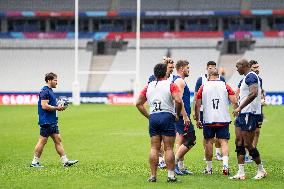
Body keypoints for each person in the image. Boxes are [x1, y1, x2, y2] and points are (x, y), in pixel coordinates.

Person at [136, 63, 182, 182]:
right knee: (168, 148)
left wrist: (149, 116)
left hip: (154, 117)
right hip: (167, 116)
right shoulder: (171, 85)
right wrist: (176, 114)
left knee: (154, 148)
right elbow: (178, 100)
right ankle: (171, 176)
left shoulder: (149, 86)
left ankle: (153, 176)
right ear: (166, 72)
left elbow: (138, 103)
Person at [194, 70, 238, 175]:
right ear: (218, 76)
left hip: (208, 119)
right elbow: (234, 101)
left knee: (209, 142)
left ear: (209, 76)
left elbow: (197, 104)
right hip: (223, 118)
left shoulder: (203, 86)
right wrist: (236, 112)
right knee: (224, 142)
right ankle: (225, 166)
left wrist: (198, 119)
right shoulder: (225, 85)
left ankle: (209, 169)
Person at [30, 72, 78, 168]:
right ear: (49, 80)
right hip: (46, 121)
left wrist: (59, 106)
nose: (57, 82)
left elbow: (51, 105)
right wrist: (57, 108)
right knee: (42, 141)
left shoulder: (50, 91)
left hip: (52, 121)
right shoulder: (45, 91)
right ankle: (34, 162)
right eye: (55, 80)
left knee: (58, 140)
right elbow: (44, 106)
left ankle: (65, 161)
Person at [230, 59, 267, 180]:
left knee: (247, 144)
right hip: (243, 114)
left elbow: (254, 93)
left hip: (249, 114)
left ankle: (261, 170)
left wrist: (240, 107)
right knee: (238, 142)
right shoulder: (246, 78)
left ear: (244, 66)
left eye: (237, 66)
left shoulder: (251, 77)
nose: (236, 69)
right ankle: (241, 172)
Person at [193, 61, 226, 161]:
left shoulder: (221, 79)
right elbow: (196, 96)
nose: (211, 69)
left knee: (218, 134)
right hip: (204, 110)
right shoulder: (201, 80)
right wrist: (195, 112)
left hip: (218, 110)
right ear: (206, 68)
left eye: (213, 67)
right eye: (210, 68)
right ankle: (206, 153)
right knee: (207, 135)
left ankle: (217, 153)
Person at [148, 57, 175, 169]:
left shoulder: (173, 79)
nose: (171, 69)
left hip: (157, 114)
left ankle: (154, 173)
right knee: (163, 145)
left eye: (173, 67)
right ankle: (163, 163)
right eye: (169, 67)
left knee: (159, 144)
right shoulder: (154, 80)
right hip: (166, 113)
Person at [172, 60, 195, 175]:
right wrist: (185, 116)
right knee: (191, 140)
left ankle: (180, 166)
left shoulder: (177, 80)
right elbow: (178, 100)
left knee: (182, 141)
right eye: (187, 67)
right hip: (182, 117)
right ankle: (174, 163)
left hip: (180, 116)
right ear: (181, 68)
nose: (188, 70)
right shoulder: (180, 81)